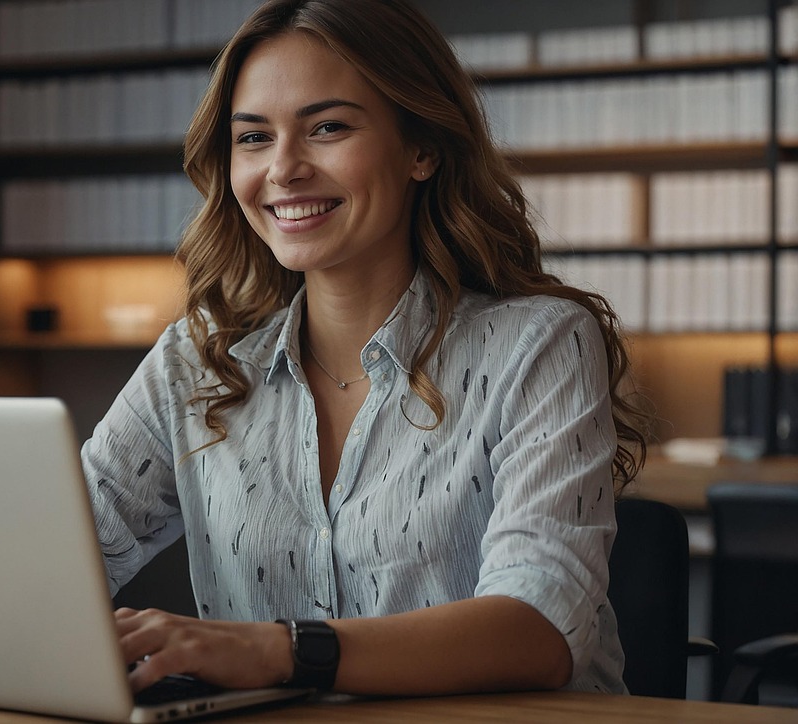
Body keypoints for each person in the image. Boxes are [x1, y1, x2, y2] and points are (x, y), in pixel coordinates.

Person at [81, 0, 651, 697]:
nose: (283, 168)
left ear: (422, 149)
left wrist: (281, 650)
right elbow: (53, 551)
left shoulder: (538, 345)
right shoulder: (197, 363)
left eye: (328, 128)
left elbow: (539, 628)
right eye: (254, 137)